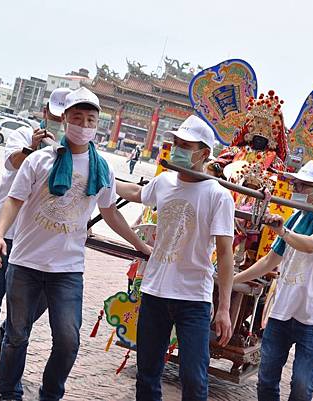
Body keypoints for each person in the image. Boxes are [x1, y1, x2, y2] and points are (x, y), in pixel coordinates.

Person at [0, 87, 151, 401]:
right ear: (65, 119)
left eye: (90, 118)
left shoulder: (101, 167)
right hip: (25, 263)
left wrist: (141, 246)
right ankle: (9, 393)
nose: (84, 124)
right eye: (77, 117)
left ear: (97, 125)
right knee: (16, 335)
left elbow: (110, 212)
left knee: (68, 340)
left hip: (67, 269)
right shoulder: (39, 160)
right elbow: (13, 201)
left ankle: (50, 394)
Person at [115, 115, 235, 401]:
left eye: (185, 145)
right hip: (155, 290)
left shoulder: (218, 196)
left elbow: (226, 253)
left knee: (193, 377)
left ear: (203, 154)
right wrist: (101, 176)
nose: (177, 149)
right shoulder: (164, 181)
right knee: (147, 372)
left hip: (194, 297)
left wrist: (224, 308)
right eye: (175, 143)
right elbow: (136, 192)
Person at [0, 88, 71, 372]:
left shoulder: (74, 151)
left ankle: (3, 332)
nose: (59, 121)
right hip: (2, 227)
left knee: (41, 298)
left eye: (66, 116)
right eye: (56, 115)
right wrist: (33, 148)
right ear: (46, 113)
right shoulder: (23, 135)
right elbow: (12, 162)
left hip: (36, 238)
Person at [233, 160, 313, 401]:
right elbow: (269, 261)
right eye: (296, 184)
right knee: (266, 379)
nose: (297, 190)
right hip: (282, 312)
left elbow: (310, 245)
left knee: (302, 385)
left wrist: (283, 232)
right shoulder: (295, 218)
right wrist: (231, 280)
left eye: (303, 186)